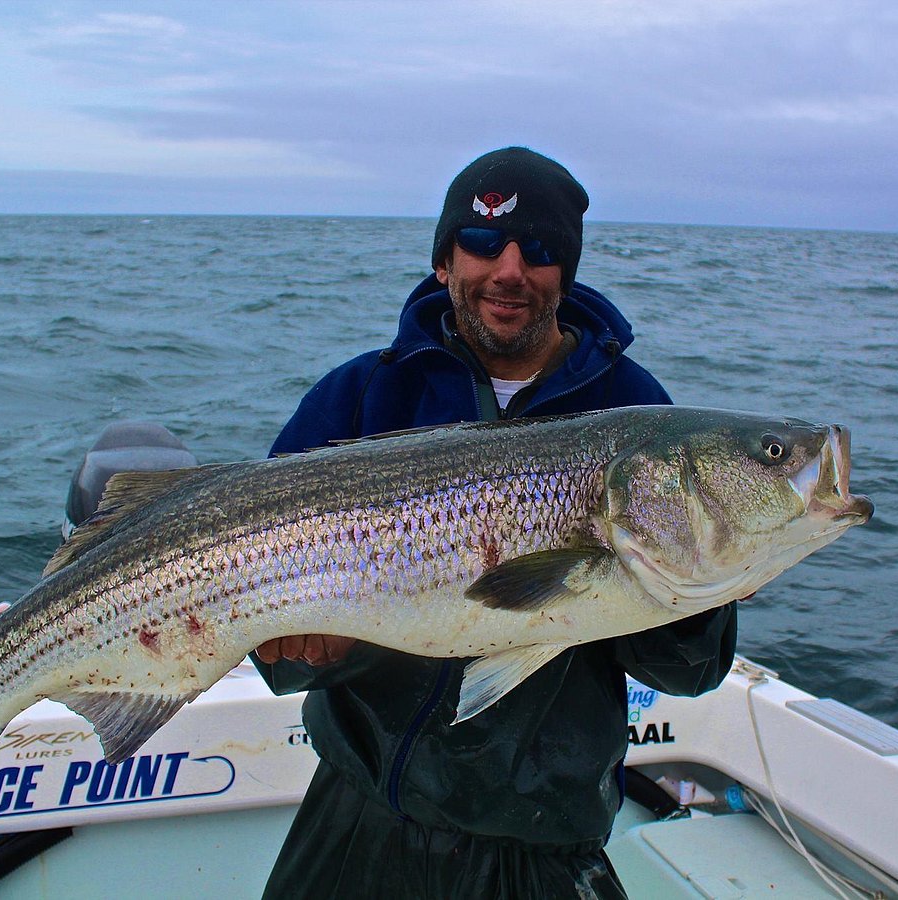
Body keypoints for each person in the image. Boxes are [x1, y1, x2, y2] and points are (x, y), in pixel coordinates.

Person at [254, 147, 737, 899]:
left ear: (564, 274)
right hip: (358, 815)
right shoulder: (362, 395)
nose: (509, 270)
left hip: (539, 842)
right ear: (445, 260)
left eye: (538, 251)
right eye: (482, 243)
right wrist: (313, 649)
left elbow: (693, 668)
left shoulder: (638, 416)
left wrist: (653, 565)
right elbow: (275, 652)